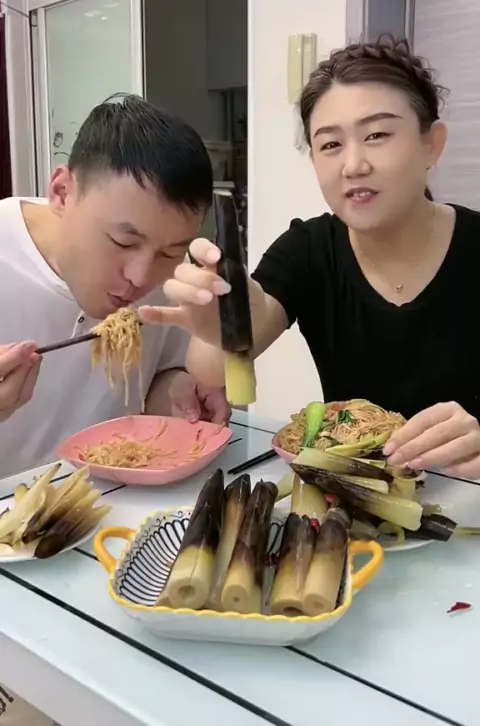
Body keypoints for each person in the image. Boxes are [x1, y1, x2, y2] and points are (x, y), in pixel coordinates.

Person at [140, 36, 480, 479]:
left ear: (431, 143)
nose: (353, 165)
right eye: (331, 145)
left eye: (377, 135)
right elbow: (212, 367)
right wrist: (221, 320)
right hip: (349, 499)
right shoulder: (309, 249)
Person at [0, 95, 230, 478]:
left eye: (170, 252)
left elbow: (160, 374)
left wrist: (176, 391)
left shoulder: (172, 279)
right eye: (124, 242)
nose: (141, 278)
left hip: (115, 500)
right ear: (62, 192)